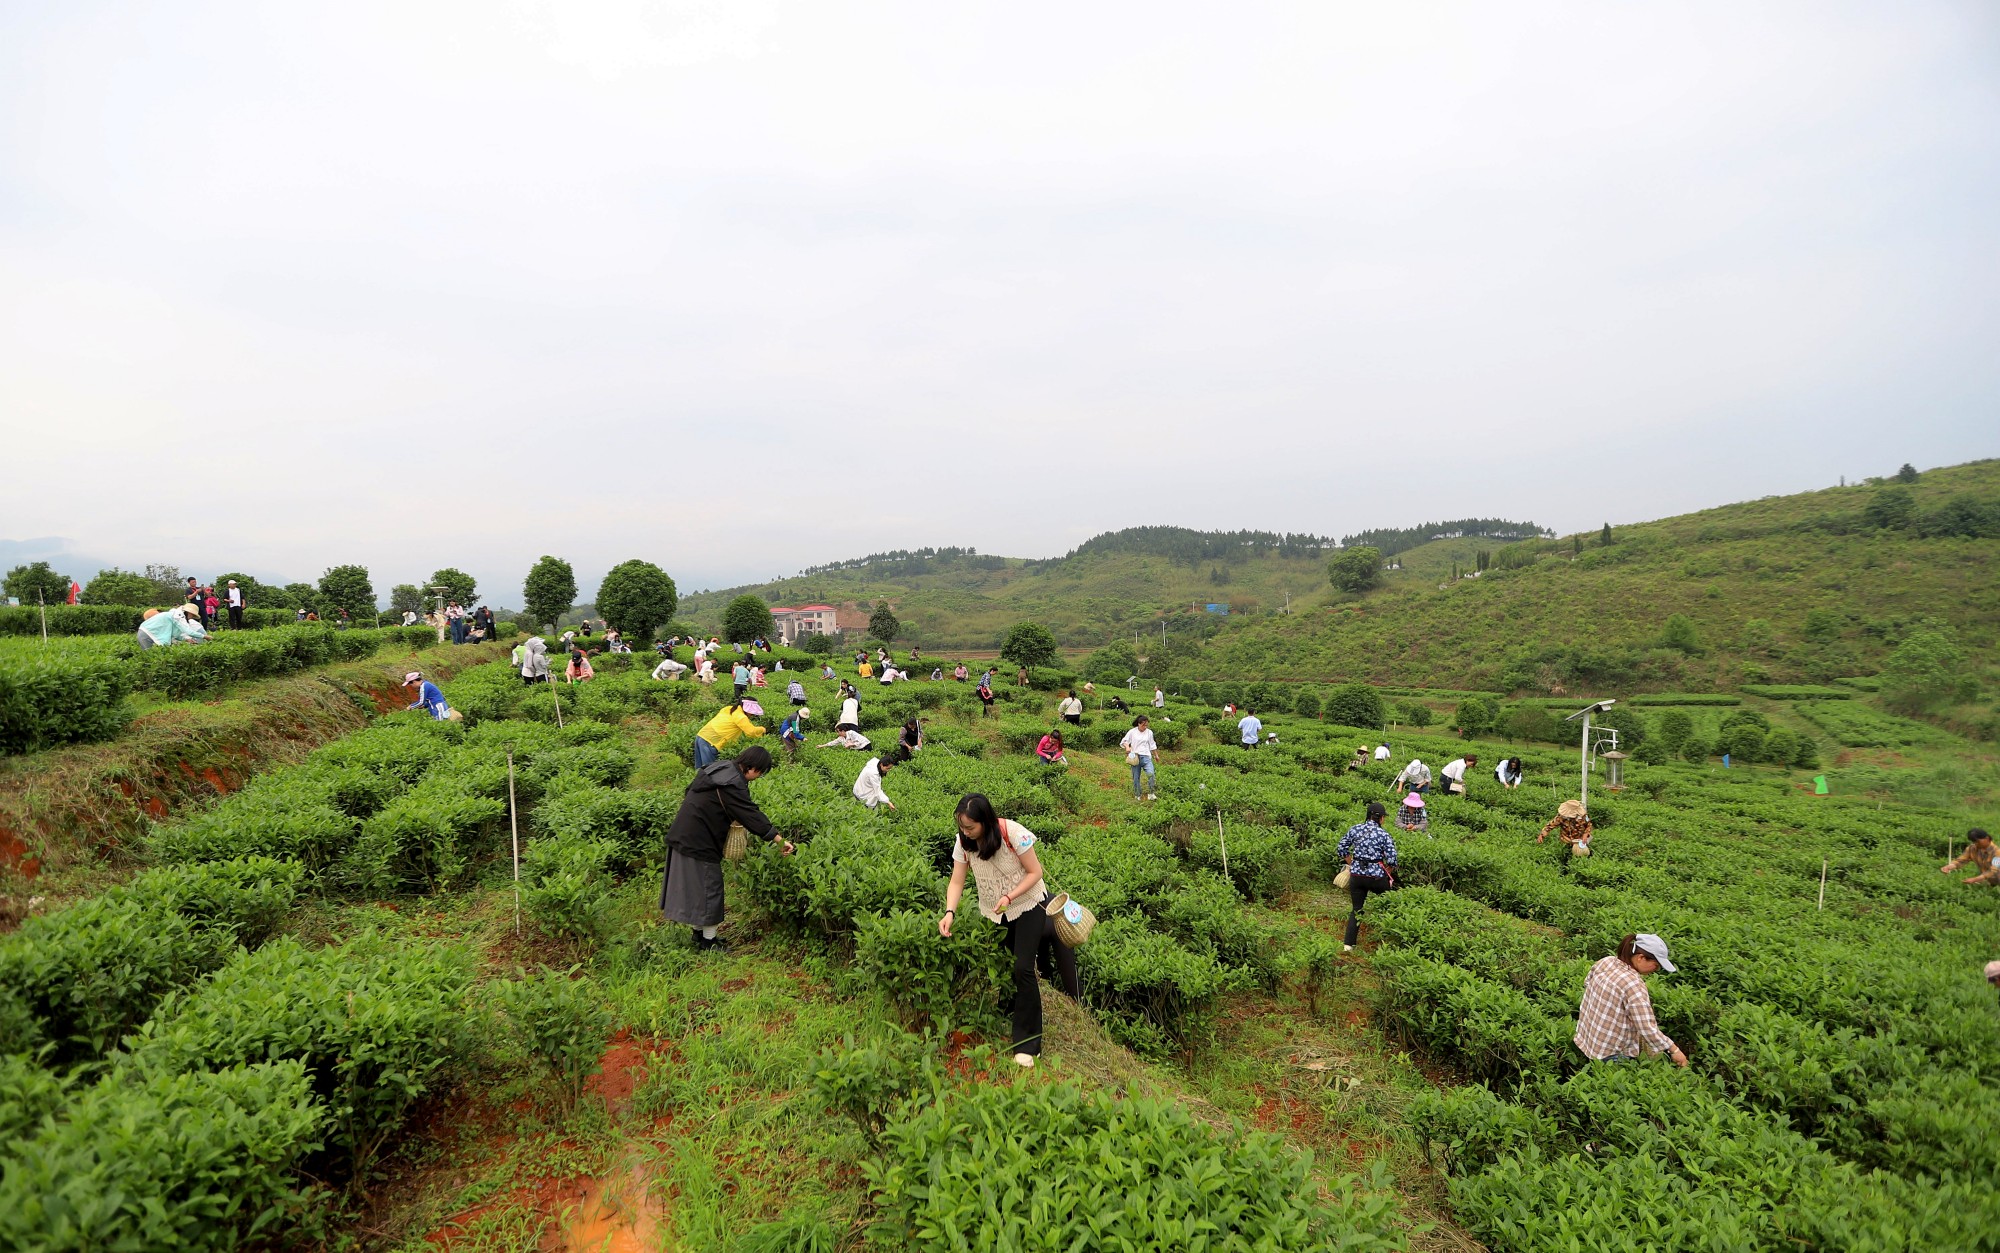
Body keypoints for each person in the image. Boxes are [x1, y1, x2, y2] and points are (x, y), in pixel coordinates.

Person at [938, 794, 1078, 1068]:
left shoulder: (1013, 833)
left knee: (1022, 967)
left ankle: (1029, 1043)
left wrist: (1011, 896)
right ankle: (1010, 1008)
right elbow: (956, 881)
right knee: (1006, 961)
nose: (965, 833)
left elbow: (1035, 872)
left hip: (1029, 903)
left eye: (970, 828)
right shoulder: (963, 843)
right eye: (961, 827)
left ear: (986, 821)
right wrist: (949, 912)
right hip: (997, 910)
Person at [661, 745, 792, 952]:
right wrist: (778, 839)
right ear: (754, 768)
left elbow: (690, 791)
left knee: (698, 889)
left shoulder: (720, 768)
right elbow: (750, 814)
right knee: (710, 888)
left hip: (685, 830)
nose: (758, 777)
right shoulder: (733, 783)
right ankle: (709, 943)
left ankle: (699, 934)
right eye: (760, 772)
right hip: (699, 839)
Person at [1575, 934, 1688, 1067]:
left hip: (1589, 1039)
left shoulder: (1607, 961)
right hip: (1612, 1053)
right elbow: (1646, 1026)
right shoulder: (1633, 984)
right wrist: (1674, 1050)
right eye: (1655, 965)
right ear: (1640, 958)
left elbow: (1587, 983)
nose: (1656, 970)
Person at [1334, 801, 1398, 951]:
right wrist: (1387, 870)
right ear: (1381, 818)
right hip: (1376, 878)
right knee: (1387, 906)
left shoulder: (1355, 829)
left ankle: (1348, 945)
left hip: (1356, 875)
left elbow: (1341, 847)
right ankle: (1386, 942)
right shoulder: (1383, 834)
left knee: (1357, 909)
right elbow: (1393, 859)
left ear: (1368, 816)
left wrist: (1352, 862)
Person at [694, 700, 765, 768]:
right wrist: (762, 729)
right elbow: (751, 732)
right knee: (709, 770)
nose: (752, 714)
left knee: (699, 768)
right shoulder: (740, 717)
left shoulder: (729, 708)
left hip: (702, 735)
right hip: (711, 742)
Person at [1540, 800, 1594, 870]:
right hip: (1566, 841)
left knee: (1583, 857)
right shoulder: (1561, 817)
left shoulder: (1583, 816)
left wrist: (1586, 834)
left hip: (1580, 841)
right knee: (1568, 858)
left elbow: (1589, 825)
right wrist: (1542, 835)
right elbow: (1550, 826)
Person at [136, 604, 209, 649]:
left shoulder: (175, 616)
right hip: (146, 634)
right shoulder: (178, 616)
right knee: (150, 658)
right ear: (188, 612)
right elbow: (188, 631)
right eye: (192, 615)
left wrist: (186, 639)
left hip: (144, 633)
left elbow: (175, 633)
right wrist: (204, 636)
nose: (191, 617)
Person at [1121, 715, 1158, 800]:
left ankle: (1151, 793)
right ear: (1138, 724)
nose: (1145, 727)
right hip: (1135, 756)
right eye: (1143, 725)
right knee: (1136, 777)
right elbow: (1124, 741)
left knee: (1151, 774)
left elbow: (1152, 745)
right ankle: (1138, 794)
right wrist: (1127, 747)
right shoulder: (1132, 732)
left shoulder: (1149, 732)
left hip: (1146, 757)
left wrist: (1156, 755)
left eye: (1146, 725)